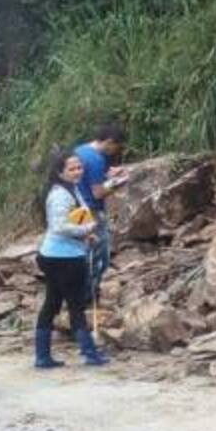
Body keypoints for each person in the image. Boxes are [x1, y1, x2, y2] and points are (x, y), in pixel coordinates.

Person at [33, 148, 109, 368]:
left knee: (52, 304)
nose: (78, 171)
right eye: (72, 168)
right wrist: (87, 229)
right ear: (60, 172)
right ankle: (90, 354)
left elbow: (73, 219)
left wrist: (86, 233)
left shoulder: (70, 189)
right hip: (64, 258)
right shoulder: (60, 195)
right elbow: (59, 226)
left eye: (79, 167)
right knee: (75, 305)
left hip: (57, 255)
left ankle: (43, 356)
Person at [74, 123, 128, 302]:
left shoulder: (80, 150)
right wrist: (118, 183)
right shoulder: (96, 159)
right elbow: (98, 192)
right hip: (92, 211)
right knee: (99, 255)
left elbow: (88, 176)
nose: (115, 152)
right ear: (110, 142)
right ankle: (88, 297)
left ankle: (79, 294)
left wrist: (110, 174)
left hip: (76, 210)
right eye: (116, 147)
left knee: (84, 251)